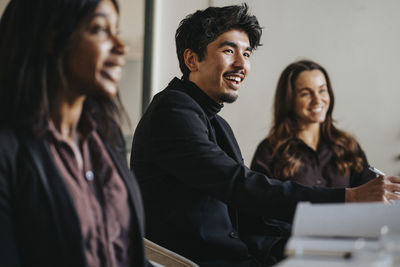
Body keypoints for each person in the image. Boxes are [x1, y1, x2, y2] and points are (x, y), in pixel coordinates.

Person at [130, 4, 400, 267]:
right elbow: (240, 186)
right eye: (228, 50)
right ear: (192, 59)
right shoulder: (173, 109)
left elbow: (248, 213)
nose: (241, 64)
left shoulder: (216, 123)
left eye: (247, 54)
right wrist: (348, 198)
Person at [0, 0, 151, 266]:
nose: (120, 46)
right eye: (99, 29)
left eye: (116, 29)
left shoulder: (105, 137)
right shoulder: (8, 151)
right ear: (51, 38)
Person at [251, 59, 375, 188]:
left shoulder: (348, 146)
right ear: (289, 100)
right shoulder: (270, 151)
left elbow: (369, 197)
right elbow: (259, 202)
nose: (317, 100)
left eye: (322, 91)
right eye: (306, 93)